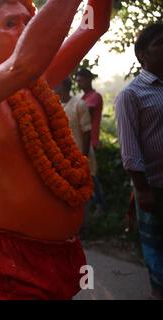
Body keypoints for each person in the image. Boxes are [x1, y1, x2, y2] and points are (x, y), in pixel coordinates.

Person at [0, 0, 112, 299]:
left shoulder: (36, 82)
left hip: (65, 254)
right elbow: (22, 64)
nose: (25, 31)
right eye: (11, 24)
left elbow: (93, 26)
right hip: (13, 262)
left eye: (29, 22)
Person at [115, 23, 163, 300]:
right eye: (161, 43)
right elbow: (130, 149)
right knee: (156, 248)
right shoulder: (131, 95)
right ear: (143, 54)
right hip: (154, 187)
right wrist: (141, 190)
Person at [54, 77, 96, 235]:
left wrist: (82, 159)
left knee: (83, 194)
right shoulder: (56, 105)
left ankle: (83, 227)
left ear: (64, 85)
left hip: (80, 158)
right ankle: (70, 226)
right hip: (63, 161)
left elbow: (87, 132)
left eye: (57, 83)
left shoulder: (79, 104)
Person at [76, 68, 105, 213]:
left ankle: (99, 205)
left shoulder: (94, 96)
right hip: (83, 141)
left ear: (88, 79)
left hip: (90, 140)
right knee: (89, 175)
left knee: (92, 175)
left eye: (80, 80)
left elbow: (85, 112)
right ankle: (94, 204)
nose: (78, 83)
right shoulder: (82, 99)